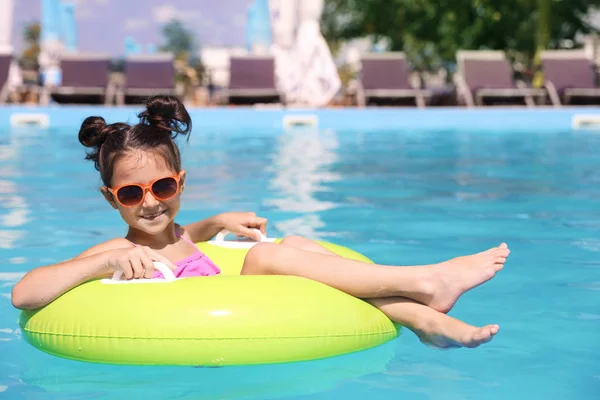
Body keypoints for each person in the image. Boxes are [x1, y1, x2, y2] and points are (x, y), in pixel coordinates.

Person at [11, 95, 510, 349]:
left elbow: (185, 234)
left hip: (243, 313)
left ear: (179, 184)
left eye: (162, 188)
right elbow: (24, 293)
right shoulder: (116, 255)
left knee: (295, 240)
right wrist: (105, 263)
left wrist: (220, 221)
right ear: (110, 198)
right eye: (131, 194)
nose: (150, 203)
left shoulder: (183, 232)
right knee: (267, 255)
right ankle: (424, 283)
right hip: (193, 341)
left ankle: (423, 318)